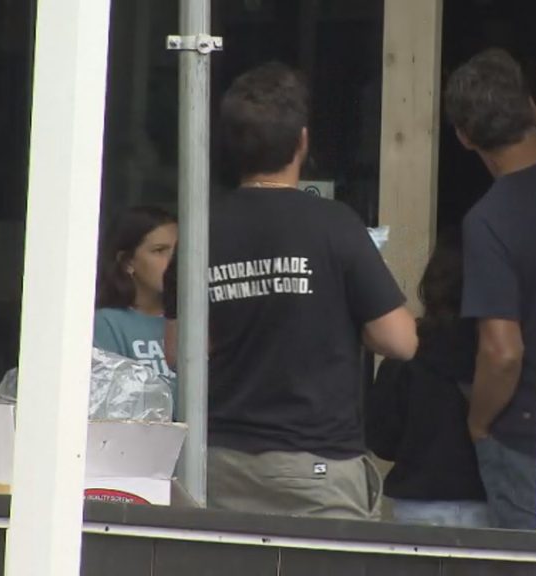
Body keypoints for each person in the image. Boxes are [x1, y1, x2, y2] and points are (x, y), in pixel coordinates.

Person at [163, 62, 417, 520]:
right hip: (316, 470)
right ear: (302, 140)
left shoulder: (200, 232)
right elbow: (400, 340)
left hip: (217, 465)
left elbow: (179, 351)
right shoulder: (334, 224)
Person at [443, 48, 536, 530]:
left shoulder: (489, 220)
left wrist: (480, 422)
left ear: (465, 138)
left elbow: (502, 351)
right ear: (533, 108)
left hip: (526, 439)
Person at [366, 229, 489, 528]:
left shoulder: (407, 348)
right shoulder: (501, 353)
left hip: (418, 505)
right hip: (488, 501)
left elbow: (382, 440)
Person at [94, 206, 178, 381]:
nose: (174, 261)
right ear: (127, 262)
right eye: (159, 250)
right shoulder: (107, 324)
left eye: (178, 251)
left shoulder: (197, 322)